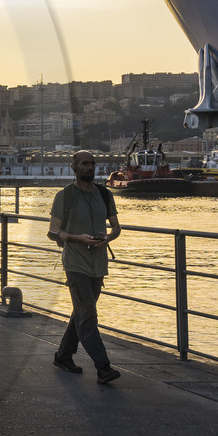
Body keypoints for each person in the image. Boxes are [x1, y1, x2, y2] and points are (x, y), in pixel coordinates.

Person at [48, 149, 123, 384]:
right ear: (74, 168)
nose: (90, 167)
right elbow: (52, 231)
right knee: (88, 315)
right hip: (76, 263)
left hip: (98, 265)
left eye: (92, 163)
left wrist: (107, 239)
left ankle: (63, 355)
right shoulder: (65, 196)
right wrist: (77, 238)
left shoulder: (104, 194)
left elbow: (116, 228)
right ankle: (103, 367)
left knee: (82, 312)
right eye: (84, 164)